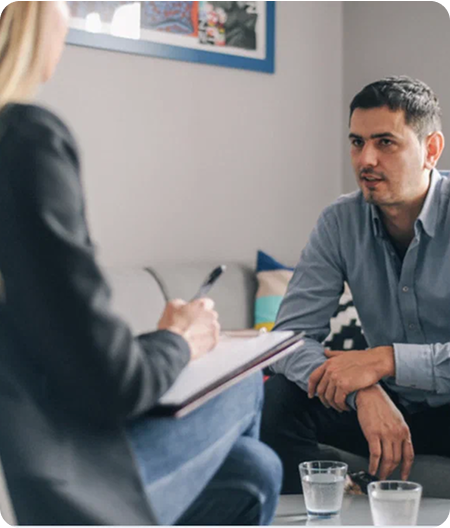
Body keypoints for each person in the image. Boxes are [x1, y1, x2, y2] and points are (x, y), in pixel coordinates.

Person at [0, 1, 282, 525]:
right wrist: (182, 338)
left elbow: (50, 354)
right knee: (242, 379)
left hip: (32, 445)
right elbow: (111, 384)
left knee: (256, 470)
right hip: (47, 484)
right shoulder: (22, 141)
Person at [260, 75, 450, 494]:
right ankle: (337, 497)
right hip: (387, 400)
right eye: (356, 142)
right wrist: (362, 391)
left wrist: (386, 361)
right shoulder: (340, 221)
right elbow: (289, 337)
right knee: (276, 403)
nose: (365, 160)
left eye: (385, 142)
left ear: (431, 150)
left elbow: (380, 361)